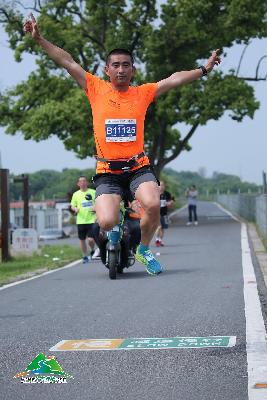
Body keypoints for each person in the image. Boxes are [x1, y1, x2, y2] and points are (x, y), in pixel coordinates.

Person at [23, 14, 220, 275]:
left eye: (126, 65)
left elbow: (174, 79)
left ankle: (144, 249)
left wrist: (204, 69)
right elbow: (67, 61)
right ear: (107, 69)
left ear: (133, 70)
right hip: (108, 171)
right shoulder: (95, 88)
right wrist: (39, 39)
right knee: (106, 220)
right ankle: (114, 235)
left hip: (138, 166)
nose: (121, 69)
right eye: (115, 65)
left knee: (152, 204)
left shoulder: (143, 93)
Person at [70, 176, 100, 263]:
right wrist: (75, 209)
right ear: (78, 184)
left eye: (84, 181)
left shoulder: (93, 192)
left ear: (87, 183)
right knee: (82, 240)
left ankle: (92, 249)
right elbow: (72, 205)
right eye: (81, 181)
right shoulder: (76, 194)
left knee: (90, 239)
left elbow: (99, 203)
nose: (83, 183)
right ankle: (84, 256)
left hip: (92, 220)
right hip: (81, 220)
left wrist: (96, 209)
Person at [155, 181, 174, 247]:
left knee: (163, 228)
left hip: (165, 213)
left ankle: (160, 240)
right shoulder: (155, 194)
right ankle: (157, 240)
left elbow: (172, 200)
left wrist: (170, 203)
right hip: (156, 213)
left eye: (162, 185)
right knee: (159, 227)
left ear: (164, 186)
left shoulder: (167, 194)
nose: (161, 187)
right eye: (160, 185)